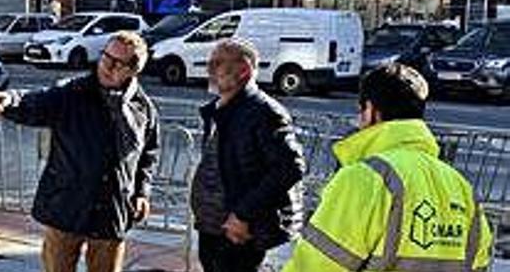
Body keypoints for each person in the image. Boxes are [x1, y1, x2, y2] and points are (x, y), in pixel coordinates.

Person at [283, 64, 493, 272]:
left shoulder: (365, 178)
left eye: (361, 111)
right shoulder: (460, 187)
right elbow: (479, 262)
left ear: (371, 110)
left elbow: (316, 265)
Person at [0, 31, 159, 272]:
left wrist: (142, 192)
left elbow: (148, 154)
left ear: (133, 70)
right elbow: (40, 102)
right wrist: (11, 100)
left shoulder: (144, 108)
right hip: (67, 205)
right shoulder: (73, 92)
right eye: (105, 56)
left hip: (111, 208)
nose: (106, 66)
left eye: (117, 63)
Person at [191, 39, 306, 272]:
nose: (209, 69)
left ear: (244, 70)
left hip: (237, 232)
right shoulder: (220, 108)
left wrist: (243, 214)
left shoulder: (263, 112)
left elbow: (290, 167)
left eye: (217, 63)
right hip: (213, 227)